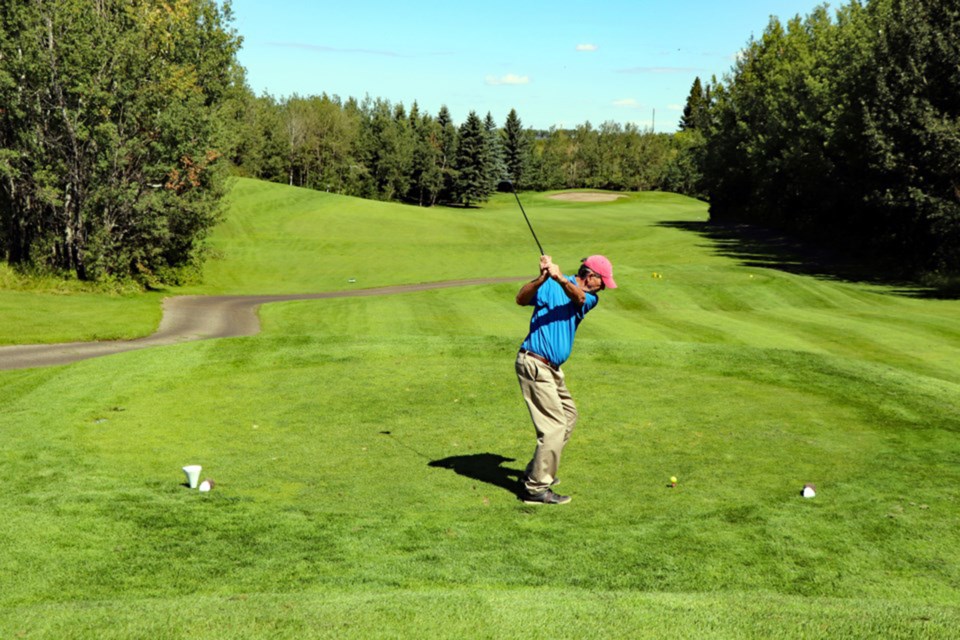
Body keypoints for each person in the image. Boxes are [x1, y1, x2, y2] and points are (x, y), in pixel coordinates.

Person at [515, 254, 617, 504]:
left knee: (569, 416)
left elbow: (578, 297)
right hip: (534, 363)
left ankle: (536, 471)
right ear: (590, 275)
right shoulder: (550, 284)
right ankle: (537, 488)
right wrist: (541, 279)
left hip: (553, 369)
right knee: (554, 426)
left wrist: (559, 278)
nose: (604, 286)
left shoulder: (589, 298)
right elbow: (521, 299)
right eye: (602, 281)